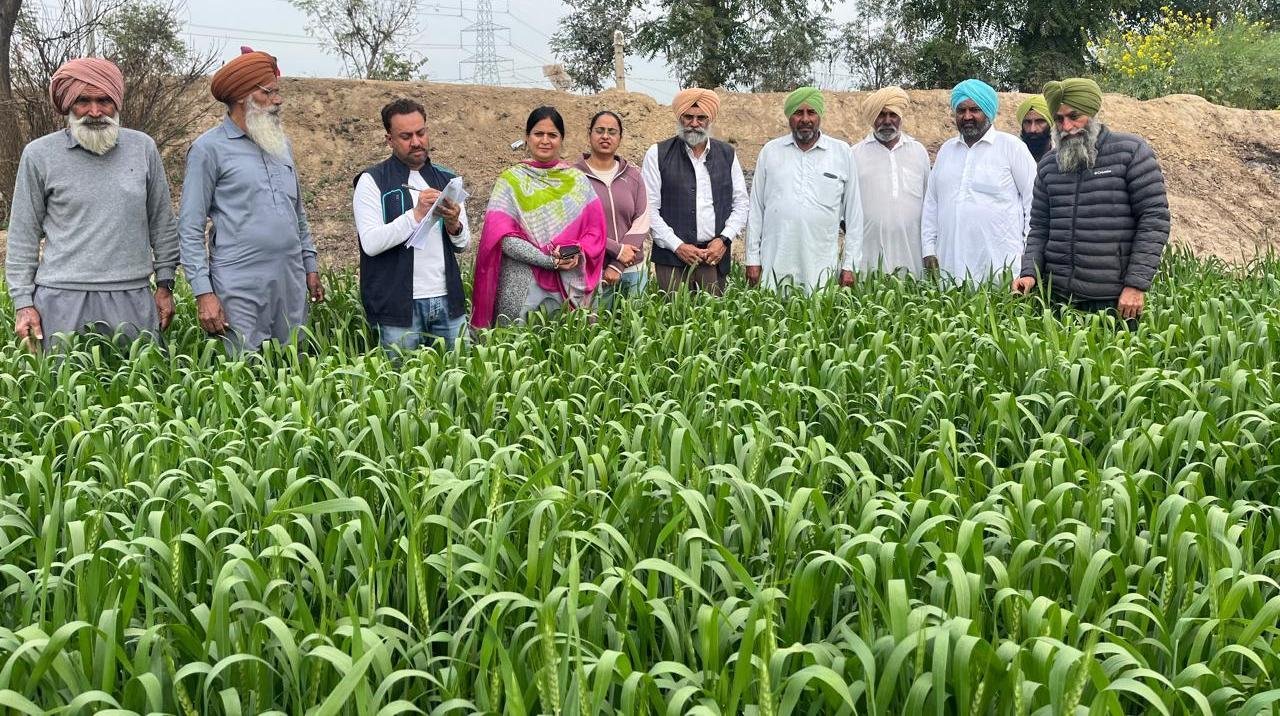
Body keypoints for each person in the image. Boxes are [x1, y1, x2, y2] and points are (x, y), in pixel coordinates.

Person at [5, 58, 179, 352]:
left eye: (104, 101)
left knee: (141, 379)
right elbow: (23, 233)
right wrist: (23, 303)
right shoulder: (39, 155)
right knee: (61, 381)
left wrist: (165, 284)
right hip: (60, 300)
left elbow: (162, 222)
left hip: (131, 297)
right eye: (83, 101)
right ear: (68, 104)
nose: (95, 112)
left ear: (117, 102)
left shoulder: (143, 148)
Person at [178, 47, 325, 353]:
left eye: (277, 92)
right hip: (238, 285)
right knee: (244, 371)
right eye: (268, 92)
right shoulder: (208, 150)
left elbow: (297, 213)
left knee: (294, 367)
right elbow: (190, 228)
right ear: (242, 97)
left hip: (290, 280)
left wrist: (310, 266)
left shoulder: (281, 144)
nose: (278, 100)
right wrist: (203, 293)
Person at [1014, 78, 1170, 328]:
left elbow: (1154, 220)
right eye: (1059, 119)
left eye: (1074, 116)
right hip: (1058, 300)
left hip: (1115, 300)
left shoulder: (1131, 152)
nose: (1067, 126)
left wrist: (1136, 284)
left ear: (1092, 113)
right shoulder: (1049, 166)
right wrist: (1029, 273)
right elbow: (1040, 228)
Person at [470, 106, 608, 328]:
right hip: (521, 283)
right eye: (538, 134)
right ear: (527, 137)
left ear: (562, 139)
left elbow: (596, 233)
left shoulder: (578, 182)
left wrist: (574, 251)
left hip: (568, 285)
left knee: (566, 344)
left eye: (552, 135)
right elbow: (503, 238)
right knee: (516, 343)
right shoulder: (511, 181)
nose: (545, 140)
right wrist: (548, 261)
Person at [353, 98, 470, 350]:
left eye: (421, 133)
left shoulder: (447, 178)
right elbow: (370, 243)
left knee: (461, 372)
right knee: (401, 376)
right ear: (389, 139)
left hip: (447, 300)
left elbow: (464, 244)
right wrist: (415, 215)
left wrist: (454, 225)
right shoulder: (371, 181)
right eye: (406, 136)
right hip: (396, 307)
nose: (416, 142)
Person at [745, 87, 863, 292]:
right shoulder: (770, 152)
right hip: (775, 265)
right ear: (789, 117)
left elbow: (854, 216)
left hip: (821, 267)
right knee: (774, 310)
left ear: (820, 116)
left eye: (811, 112)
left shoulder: (841, 152)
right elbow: (756, 210)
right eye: (798, 113)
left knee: (820, 310)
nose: (805, 119)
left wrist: (850, 265)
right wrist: (752, 259)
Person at [922, 79, 1037, 284]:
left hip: (1002, 270)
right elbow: (932, 204)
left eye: (975, 110)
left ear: (988, 112)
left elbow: (1034, 203)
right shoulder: (946, 151)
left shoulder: (1011, 147)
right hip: (950, 268)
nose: (967, 116)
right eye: (961, 110)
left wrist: (1028, 257)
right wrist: (928, 249)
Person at [642, 88, 749, 295]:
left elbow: (741, 203)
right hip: (671, 259)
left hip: (713, 256)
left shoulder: (727, 154)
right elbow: (649, 209)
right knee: (672, 314)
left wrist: (724, 240)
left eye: (701, 118)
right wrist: (678, 246)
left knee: (714, 314)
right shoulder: (657, 153)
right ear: (679, 118)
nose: (694, 123)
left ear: (710, 120)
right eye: (688, 117)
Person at [849, 86, 931, 277]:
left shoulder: (918, 152)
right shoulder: (855, 154)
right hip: (868, 257)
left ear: (900, 116)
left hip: (912, 255)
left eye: (893, 114)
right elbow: (847, 211)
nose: (887, 121)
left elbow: (929, 203)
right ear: (872, 118)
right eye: (881, 115)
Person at [573, 110, 649, 305]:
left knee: (635, 323)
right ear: (589, 134)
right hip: (593, 270)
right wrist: (616, 249)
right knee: (594, 323)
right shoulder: (574, 177)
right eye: (600, 131)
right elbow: (576, 225)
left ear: (620, 138)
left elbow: (641, 221)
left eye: (612, 132)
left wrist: (617, 264)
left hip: (633, 271)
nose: (605, 136)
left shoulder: (633, 176)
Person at [1017, 94, 1052, 162]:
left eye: (1040, 121)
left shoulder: (1062, 155)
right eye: (1027, 122)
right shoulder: (1011, 153)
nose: (1032, 129)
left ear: (1050, 124)